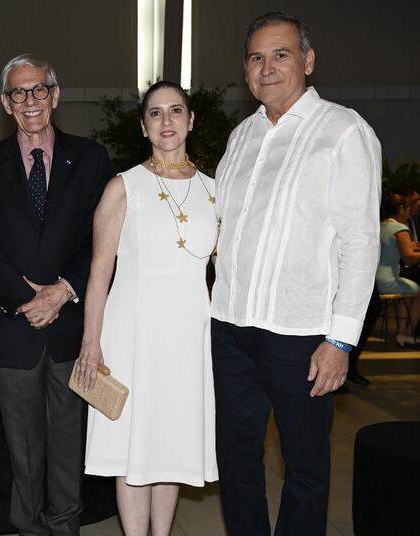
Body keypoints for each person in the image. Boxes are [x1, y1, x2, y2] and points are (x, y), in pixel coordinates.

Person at [211, 12, 381, 535]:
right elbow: (221, 227)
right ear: (246, 70)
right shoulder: (241, 136)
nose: (268, 67)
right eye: (257, 57)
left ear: (307, 61)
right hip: (232, 328)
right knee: (236, 464)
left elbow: (361, 242)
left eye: (281, 54)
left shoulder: (344, 130)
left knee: (304, 469)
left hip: (302, 335)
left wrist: (341, 340)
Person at [0, 53, 111, 535]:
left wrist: (62, 291)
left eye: (39, 90)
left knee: (70, 447)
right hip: (14, 327)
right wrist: (28, 300)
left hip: (72, 329)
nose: (30, 101)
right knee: (24, 452)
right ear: (6, 104)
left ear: (56, 95)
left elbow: (101, 240)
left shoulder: (91, 159)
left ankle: (65, 528)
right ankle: (27, 528)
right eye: (18, 93)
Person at [75, 81, 218, 536]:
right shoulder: (124, 187)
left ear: (191, 121)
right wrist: (90, 344)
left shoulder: (216, 191)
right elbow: (99, 271)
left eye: (176, 111)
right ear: (143, 127)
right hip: (133, 333)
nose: (167, 121)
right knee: (134, 446)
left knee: (170, 445)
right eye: (155, 113)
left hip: (189, 335)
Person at [375, 193, 420, 345]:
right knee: (418, 292)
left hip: (374, 281)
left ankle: (402, 332)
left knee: (407, 289)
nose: (409, 214)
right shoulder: (400, 228)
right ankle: (406, 332)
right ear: (401, 209)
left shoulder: (380, 225)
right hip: (388, 280)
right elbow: (409, 257)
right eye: (408, 210)